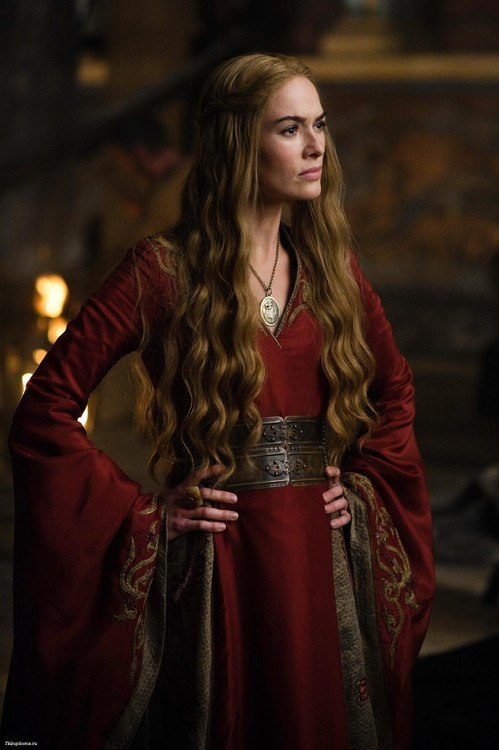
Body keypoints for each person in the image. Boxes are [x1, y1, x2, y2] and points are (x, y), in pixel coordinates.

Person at [1, 53, 434, 750]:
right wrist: (147, 515)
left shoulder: (334, 271)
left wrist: (361, 489)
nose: (316, 146)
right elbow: (44, 408)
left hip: (318, 558)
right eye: (290, 128)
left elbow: (396, 391)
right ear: (237, 143)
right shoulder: (161, 272)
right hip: (219, 561)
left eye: (320, 125)